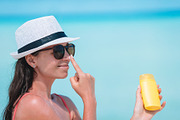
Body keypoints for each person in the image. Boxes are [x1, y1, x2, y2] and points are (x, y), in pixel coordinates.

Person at [3, 16, 165, 120]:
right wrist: (89, 98)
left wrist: (140, 117)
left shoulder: (64, 103)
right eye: (58, 51)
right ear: (32, 60)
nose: (68, 56)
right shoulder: (32, 104)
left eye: (69, 48)